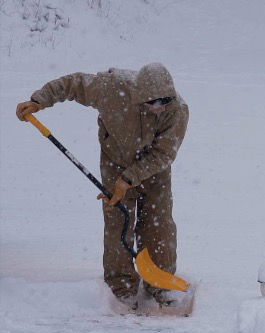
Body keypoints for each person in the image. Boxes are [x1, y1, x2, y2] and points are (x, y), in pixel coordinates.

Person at [15, 63, 188, 310]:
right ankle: (121, 287)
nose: (159, 108)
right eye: (153, 102)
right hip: (115, 162)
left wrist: (130, 180)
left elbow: (163, 154)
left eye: (164, 102)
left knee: (158, 223)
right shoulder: (111, 89)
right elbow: (73, 84)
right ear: (139, 96)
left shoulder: (177, 110)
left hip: (154, 170)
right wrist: (39, 100)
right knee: (118, 220)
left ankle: (161, 284)